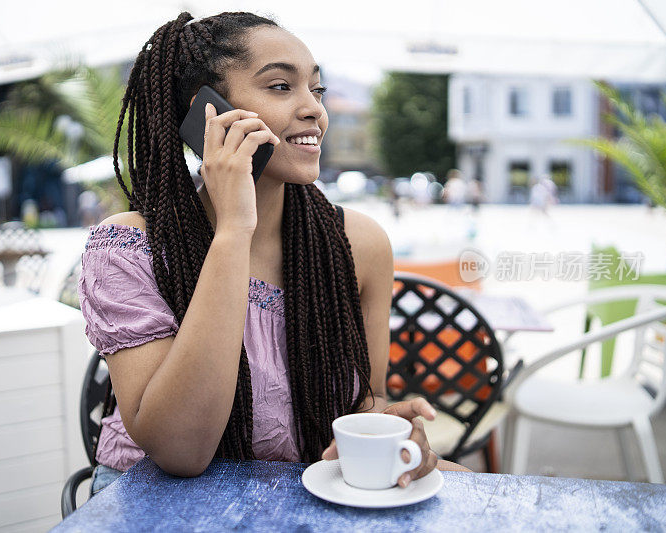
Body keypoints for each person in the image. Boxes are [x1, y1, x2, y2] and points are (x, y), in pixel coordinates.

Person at [78, 11, 471, 497]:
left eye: (318, 90)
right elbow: (181, 451)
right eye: (282, 86)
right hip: (152, 501)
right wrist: (233, 231)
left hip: (301, 495)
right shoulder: (127, 249)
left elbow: (367, 400)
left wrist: (387, 432)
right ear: (207, 111)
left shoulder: (360, 244)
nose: (315, 110)